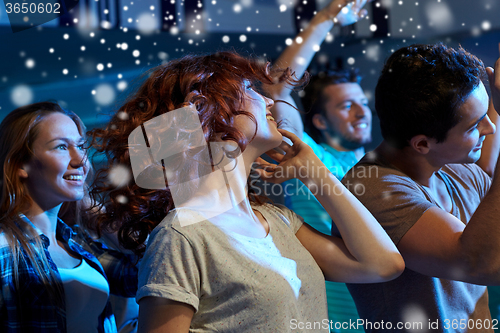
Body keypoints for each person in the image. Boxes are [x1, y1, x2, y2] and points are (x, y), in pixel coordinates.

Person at [88, 50, 404, 332]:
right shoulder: (181, 236)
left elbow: (383, 264)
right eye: (249, 89)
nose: (268, 101)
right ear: (206, 111)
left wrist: (316, 174)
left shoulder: (278, 220)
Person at [341, 43, 500, 332]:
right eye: (474, 125)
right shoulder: (371, 191)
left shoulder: (460, 170)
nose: (490, 128)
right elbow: (483, 264)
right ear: (423, 144)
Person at [265, 0, 371, 330]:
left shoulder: (384, 166)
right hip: (330, 320)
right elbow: (278, 84)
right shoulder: (307, 155)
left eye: (363, 103)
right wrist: (327, 16)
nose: (360, 112)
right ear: (321, 121)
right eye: (346, 105)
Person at [0, 102, 137, 332]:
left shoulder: (77, 244)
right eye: (61, 147)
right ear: (21, 164)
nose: (80, 160)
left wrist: (92, 211)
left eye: (81, 146)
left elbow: (140, 274)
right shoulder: (5, 249)